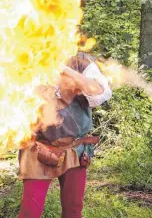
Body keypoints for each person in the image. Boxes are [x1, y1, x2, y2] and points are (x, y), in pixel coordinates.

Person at [18, 52, 112, 218]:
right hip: (37, 149)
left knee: (73, 211)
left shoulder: (82, 62)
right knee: (30, 212)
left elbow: (98, 92)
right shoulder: (28, 55)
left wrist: (64, 69)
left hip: (74, 150)